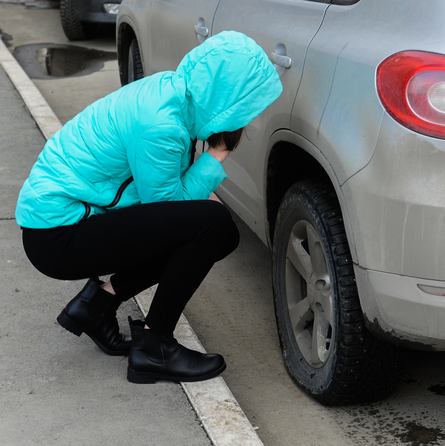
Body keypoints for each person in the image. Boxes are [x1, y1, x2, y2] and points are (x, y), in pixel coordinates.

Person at [16, 31, 282, 384]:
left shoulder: (172, 93)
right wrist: (217, 155)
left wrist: (202, 195)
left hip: (69, 219)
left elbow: (167, 204)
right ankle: (154, 346)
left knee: (220, 231)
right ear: (227, 100)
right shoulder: (162, 125)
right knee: (215, 226)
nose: (249, 118)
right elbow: (166, 210)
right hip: (58, 235)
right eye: (247, 107)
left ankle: (97, 306)